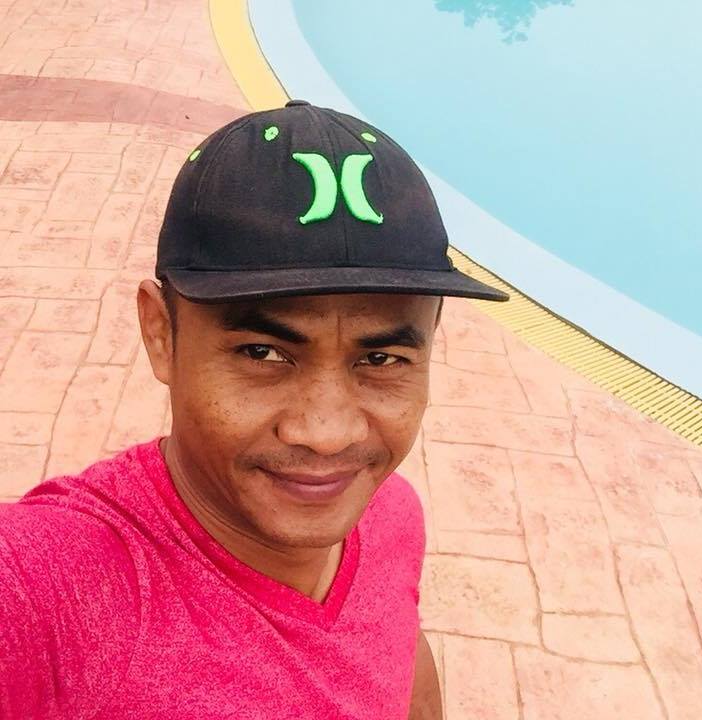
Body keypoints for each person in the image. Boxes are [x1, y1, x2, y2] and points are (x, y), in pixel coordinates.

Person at [0, 100, 508, 719]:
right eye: (263, 352)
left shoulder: (389, 513)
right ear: (161, 333)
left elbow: (401, 653)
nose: (326, 435)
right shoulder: (52, 592)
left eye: (380, 359)